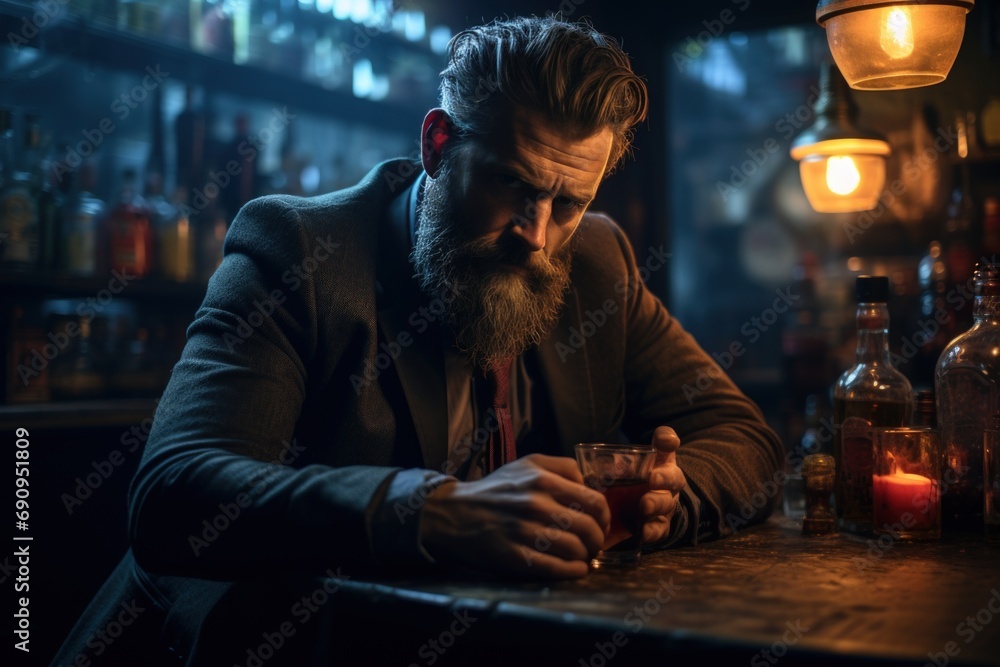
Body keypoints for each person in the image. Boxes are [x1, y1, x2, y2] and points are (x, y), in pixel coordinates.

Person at [54, 15, 782, 666]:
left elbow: (744, 435)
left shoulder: (597, 259)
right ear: (438, 144)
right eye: (510, 183)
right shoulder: (297, 251)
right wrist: (432, 510)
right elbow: (172, 493)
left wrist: (667, 501)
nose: (537, 235)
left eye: (569, 203)